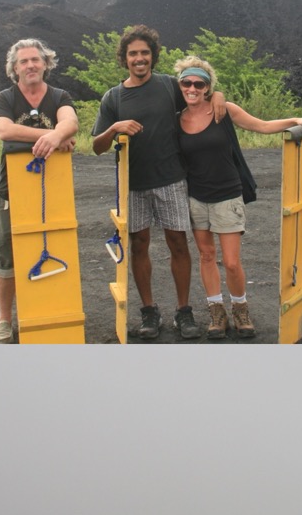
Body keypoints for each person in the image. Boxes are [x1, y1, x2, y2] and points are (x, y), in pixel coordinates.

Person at [92, 25, 225, 341]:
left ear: (153, 56)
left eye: (144, 53)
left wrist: (217, 93)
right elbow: (97, 146)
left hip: (172, 181)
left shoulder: (168, 86)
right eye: (133, 53)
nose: (139, 58)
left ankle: (183, 311)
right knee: (139, 246)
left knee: (178, 243)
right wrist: (114, 129)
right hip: (133, 185)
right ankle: (149, 311)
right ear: (124, 59)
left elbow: (199, 93)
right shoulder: (113, 97)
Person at [176, 56, 302, 340]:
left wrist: (295, 120)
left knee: (230, 261)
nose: (192, 88)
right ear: (179, 85)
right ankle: (217, 312)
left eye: (198, 83)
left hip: (227, 195)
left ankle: (240, 308)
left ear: (207, 87)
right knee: (205, 255)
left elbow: (261, 126)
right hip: (195, 197)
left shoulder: (223, 110)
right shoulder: (176, 117)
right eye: (186, 83)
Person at [0, 38, 79, 343]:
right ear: (14, 69)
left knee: (55, 247)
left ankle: (50, 312)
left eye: (35, 60)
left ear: (46, 64)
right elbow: (4, 130)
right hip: (12, 190)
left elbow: (72, 122)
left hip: (54, 190)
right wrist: (53, 136)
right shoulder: (5, 98)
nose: (30, 65)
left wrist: (60, 134)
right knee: (7, 257)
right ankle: (4, 320)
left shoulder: (59, 96)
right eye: (23, 61)